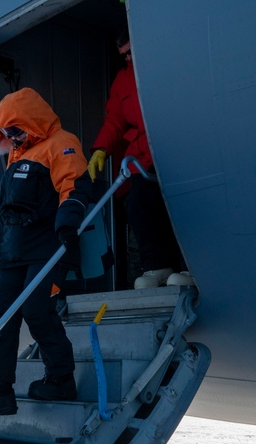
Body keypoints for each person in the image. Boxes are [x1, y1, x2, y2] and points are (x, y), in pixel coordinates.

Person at [0, 87, 94, 417]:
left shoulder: (61, 143)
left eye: (16, 130)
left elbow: (74, 184)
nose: (12, 138)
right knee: (1, 316)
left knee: (37, 309)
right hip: (13, 251)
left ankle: (61, 378)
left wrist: (68, 222)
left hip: (45, 247)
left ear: (32, 121)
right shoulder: (18, 155)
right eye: (7, 133)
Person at [87, 28, 191, 289]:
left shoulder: (167, 67)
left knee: (181, 209)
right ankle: (157, 266)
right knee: (140, 207)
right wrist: (101, 148)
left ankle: (190, 266)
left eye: (132, 53)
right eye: (124, 56)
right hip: (141, 157)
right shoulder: (122, 81)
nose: (129, 59)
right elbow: (114, 120)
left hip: (174, 149)